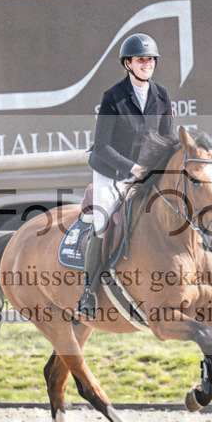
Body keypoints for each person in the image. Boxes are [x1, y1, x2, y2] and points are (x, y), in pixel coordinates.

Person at [77, 32, 174, 319]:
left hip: (145, 174)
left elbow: (168, 140)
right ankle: (89, 292)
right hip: (112, 171)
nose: (147, 64)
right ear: (128, 64)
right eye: (141, 60)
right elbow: (102, 145)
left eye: (151, 60)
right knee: (102, 221)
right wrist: (133, 168)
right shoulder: (113, 98)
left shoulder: (162, 95)